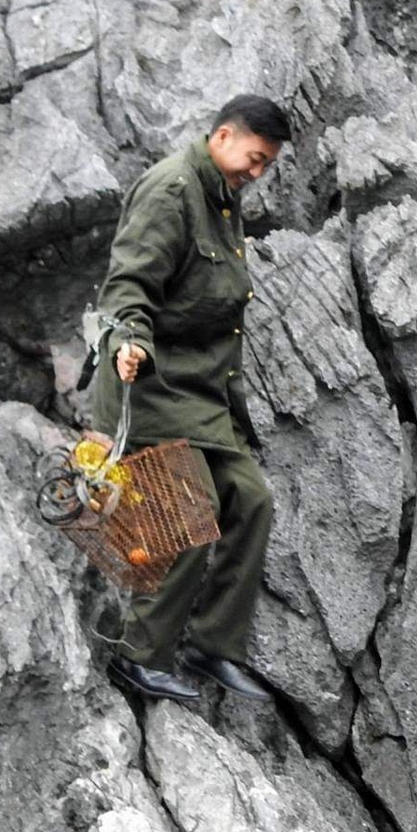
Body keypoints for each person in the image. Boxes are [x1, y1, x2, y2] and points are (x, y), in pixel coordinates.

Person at [87, 94, 292, 705]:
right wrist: (129, 341)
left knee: (252, 499)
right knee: (190, 506)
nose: (256, 173)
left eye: (266, 166)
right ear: (223, 136)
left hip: (199, 393)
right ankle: (139, 654)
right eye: (253, 159)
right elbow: (127, 284)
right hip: (148, 383)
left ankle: (213, 645)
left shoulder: (223, 198)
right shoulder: (172, 190)